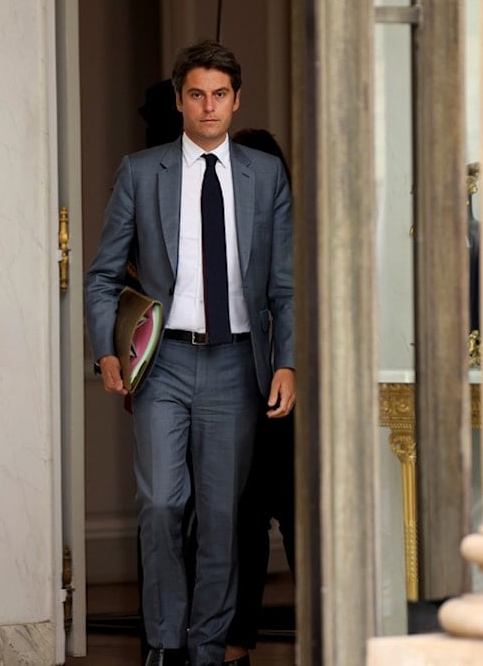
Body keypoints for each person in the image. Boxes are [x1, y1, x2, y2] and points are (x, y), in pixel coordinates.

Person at [85, 40, 296, 666]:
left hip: (237, 364)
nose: (209, 107)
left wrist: (286, 361)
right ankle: (164, 644)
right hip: (164, 365)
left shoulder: (266, 175)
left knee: (223, 516)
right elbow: (100, 276)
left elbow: (283, 285)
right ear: (180, 100)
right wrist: (106, 353)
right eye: (197, 95)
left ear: (237, 100)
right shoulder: (141, 171)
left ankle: (206, 647)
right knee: (160, 504)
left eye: (221, 95)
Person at [223, 129, 297, 666]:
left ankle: (236, 646)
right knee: (245, 526)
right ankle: (233, 646)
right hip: (243, 398)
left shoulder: (296, 242)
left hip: (285, 403)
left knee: (281, 521)